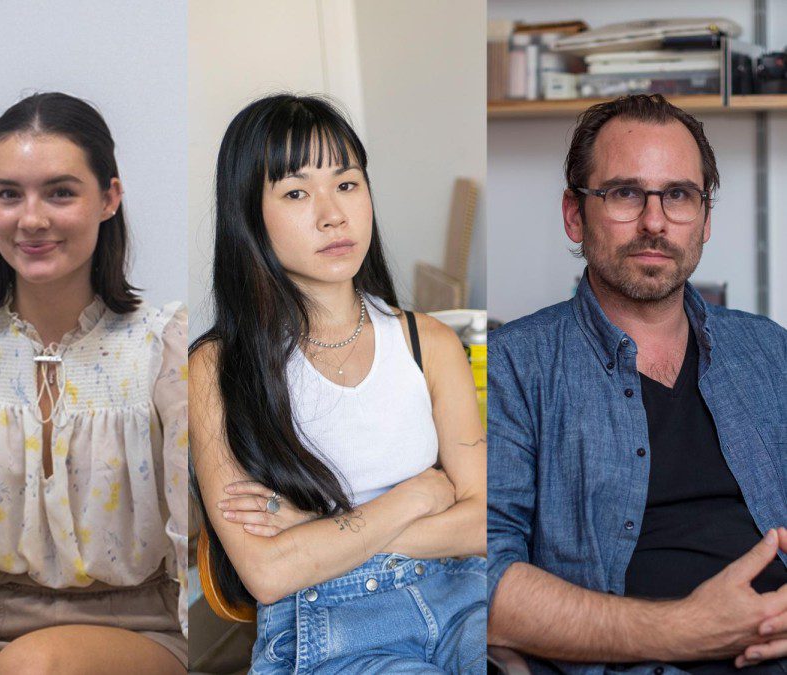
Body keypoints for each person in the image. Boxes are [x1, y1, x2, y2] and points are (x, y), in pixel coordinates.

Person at [0, 93, 189, 674]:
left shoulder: (164, 349)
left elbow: (192, 539)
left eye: (60, 192)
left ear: (108, 199)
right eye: (8, 194)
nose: (31, 219)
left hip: (137, 636)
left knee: (35, 665)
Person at [487, 94, 787, 674]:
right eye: (625, 193)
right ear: (575, 215)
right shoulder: (512, 368)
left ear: (704, 220)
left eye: (678, 195)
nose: (655, 222)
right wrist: (685, 630)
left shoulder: (769, 351)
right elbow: (485, 584)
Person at [189, 93, 487, 673]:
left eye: (347, 185)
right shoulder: (217, 369)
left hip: (461, 596)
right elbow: (270, 573)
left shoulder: (432, 344)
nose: (333, 215)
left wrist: (319, 533)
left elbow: (483, 524)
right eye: (297, 193)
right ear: (250, 213)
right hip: (331, 623)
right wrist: (419, 495)